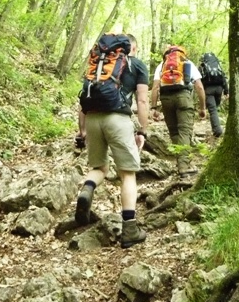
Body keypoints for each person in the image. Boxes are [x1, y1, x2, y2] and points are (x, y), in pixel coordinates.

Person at [75, 34, 149, 249]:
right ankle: (130, 229)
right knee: (127, 173)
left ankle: (87, 190)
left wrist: (82, 130)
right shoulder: (136, 65)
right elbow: (142, 100)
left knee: (99, 167)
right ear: (132, 47)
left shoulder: (98, 64)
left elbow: (82, 101)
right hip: (118, 119)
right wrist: (142, 131)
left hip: (92, 118)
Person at [150, 46, 206, 179]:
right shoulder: (188, 63)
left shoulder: (162, 66)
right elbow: (199, 86)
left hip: (166, 99)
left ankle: (181, 162)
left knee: (174, 132)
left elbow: (155, 88)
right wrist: (203, 107)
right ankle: (183, 168)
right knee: (184, 131)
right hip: (184, 97)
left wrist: (154, 108)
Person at [199, 52, 229, 138]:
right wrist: (226, 91)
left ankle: (217, 131)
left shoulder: (202, 66)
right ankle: (216, 127)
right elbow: (223, 77)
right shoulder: (217, 65)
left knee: (212, 110)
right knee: (215, 108)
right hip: (219, 89)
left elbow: (199, 81)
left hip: (208, 90)